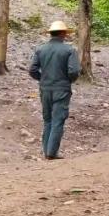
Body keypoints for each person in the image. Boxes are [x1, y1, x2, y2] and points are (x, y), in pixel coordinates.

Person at [28, 20, 81, 159]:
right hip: (62, 89)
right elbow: (74, 71)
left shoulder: (40, 49)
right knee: (58, 119)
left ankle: (47, 151)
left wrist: (42, 79)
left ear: (51, 34)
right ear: (63, 33)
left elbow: (32, 70)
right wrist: (68, 80)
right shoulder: (70, 50)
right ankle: (52, 152)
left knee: (47, 119)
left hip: (44, 89)